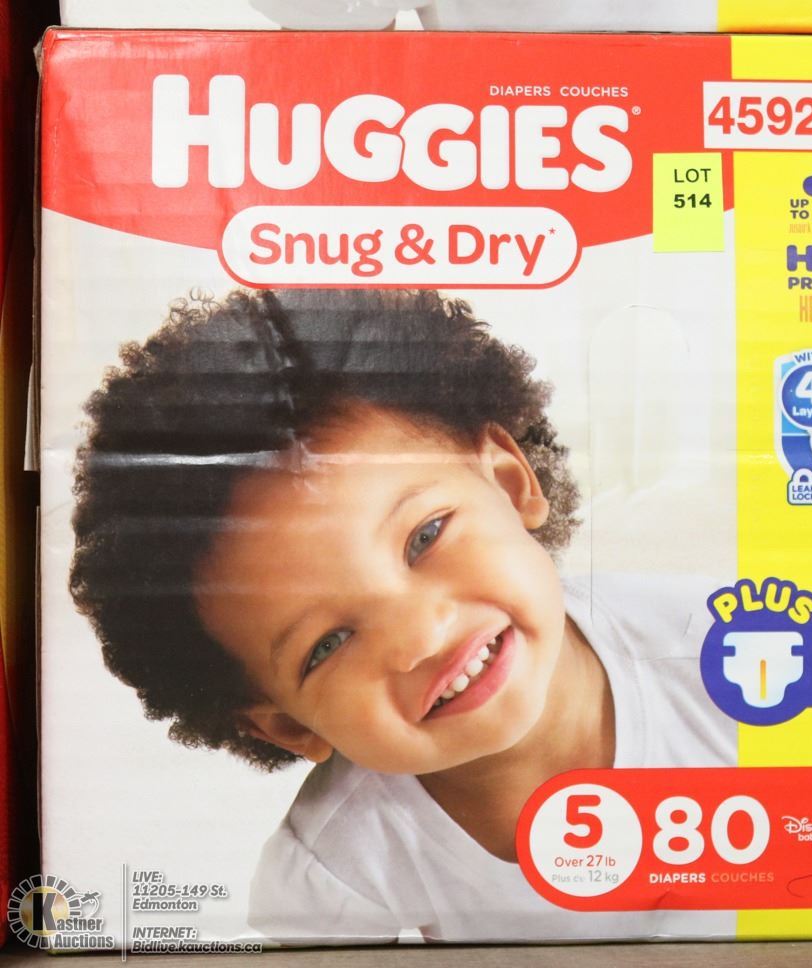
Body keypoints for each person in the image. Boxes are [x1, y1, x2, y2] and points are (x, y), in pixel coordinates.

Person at [70, 287, 735, 942]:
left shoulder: (728, 657)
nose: (421, 636)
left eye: (425, 536)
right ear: (287, 724)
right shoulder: (333, 870)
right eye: (328, 643)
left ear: (510, 483)